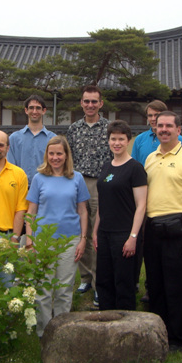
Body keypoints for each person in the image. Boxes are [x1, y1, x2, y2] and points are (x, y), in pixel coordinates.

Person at [144, 111, 182, 352]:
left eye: (169, 126)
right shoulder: (150, 158)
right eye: (160, 126)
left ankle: (176, 338)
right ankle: (157, 333)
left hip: (179, 227)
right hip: (152, 227)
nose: (164, 129)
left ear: (178, 130)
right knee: (155, 285)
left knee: (176, 286)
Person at [25, 136, 90, 337]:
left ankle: (61, 331)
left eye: (59, 153)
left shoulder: (77, 178)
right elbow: (31, 211)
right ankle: (44, 331)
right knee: (43, 288)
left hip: (69, 241)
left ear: (66, 155)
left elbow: (83, 211)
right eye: (51, 153)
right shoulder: (38, 178)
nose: (55, 157)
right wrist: (30, 241)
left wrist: (83, 239)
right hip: (43, 240)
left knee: (64, 288)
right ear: (47, 155)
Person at [131, 99, 182, 304]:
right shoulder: (140, 140)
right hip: (144, 199)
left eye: (157, 115)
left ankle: (160, 289)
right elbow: (134, 168)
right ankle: (143, 283)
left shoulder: (180, 140)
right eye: (150, 116)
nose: (153, 119)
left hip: (169, 203)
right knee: (144, 245)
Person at [93, 120, 147, 311]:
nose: (117, 143)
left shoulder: (135, 168)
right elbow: (102, 202)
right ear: (108, 140)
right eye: (113, 139)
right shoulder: (106, 166)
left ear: (128, 141)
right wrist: (95, 232)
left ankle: (125, 323)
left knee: (124, 282)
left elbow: (141, 205)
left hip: (124, 234)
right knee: (104, 280)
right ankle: (106, 319)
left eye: (121, 139)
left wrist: (133, 236)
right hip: (104, 233)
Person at [67, 85, 111, 306]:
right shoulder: (74, 129)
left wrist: (109, 182)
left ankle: (97, 281)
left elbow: (116, 157)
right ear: (81, 103)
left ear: (100, 104)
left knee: (97, 234)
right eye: (87, 101)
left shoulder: (109, 128)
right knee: (81, 231)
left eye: (94, 101)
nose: (90, 105)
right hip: (78, 182)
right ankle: (84, 277)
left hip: (101, 183)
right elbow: (69, 157)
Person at [7, 94, 56, 185]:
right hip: (20, 187)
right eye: (31, 108)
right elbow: (10, 167)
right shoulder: (14, 139)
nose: (34, 111)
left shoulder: (53, 139)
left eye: (38, 108)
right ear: (26, 110)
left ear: (44, 111)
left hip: (45, 187)